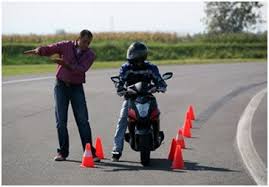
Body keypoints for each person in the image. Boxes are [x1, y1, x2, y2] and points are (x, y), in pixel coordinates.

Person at [24, 29, 100, 162]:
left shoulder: (90, 55)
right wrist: (39, 51)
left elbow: (82, 69)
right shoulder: (66, 45)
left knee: (83, 121)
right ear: (78, 38)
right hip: (61, 86)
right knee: (61, 121)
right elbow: (51, 48)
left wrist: (67, 65)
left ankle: (90, 152)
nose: (85, 45)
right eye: (84, 41)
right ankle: (62, 153)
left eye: (88, 43)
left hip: (77, 87)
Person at [111, 42, 167, 162]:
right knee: (122, 120)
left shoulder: (151, 67)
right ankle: (117, 150)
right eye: (131, 53)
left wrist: (160, 86)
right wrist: (120, 88)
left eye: (134, 53)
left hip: (148, 97)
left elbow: (159, 80)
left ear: (141, 55)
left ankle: (156, 136)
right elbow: (120, 80)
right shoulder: (126, 68)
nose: (131, 55)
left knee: (155, 115)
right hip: (131, 98)